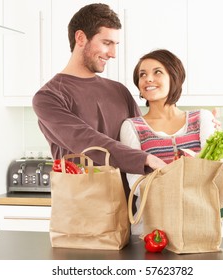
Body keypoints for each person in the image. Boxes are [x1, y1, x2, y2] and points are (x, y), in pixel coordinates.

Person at [32, 3, 166, 203]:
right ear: (80, 38)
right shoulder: (48, 97)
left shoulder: (119, 91)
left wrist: (191, 124)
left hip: (130, 212)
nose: (112, 53)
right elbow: (87, 141)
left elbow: (145, 137)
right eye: (106, 42)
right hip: (83, 216)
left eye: (115, 45)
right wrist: (143, 160)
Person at [120, 49, 217, 234]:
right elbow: (136, 183)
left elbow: (211, 172)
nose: (148, 79)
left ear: (174, 77)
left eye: (157, 72)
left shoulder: (201, 118)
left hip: (196, 224)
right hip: (149, 229)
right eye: (142, 74)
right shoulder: (132, 127)